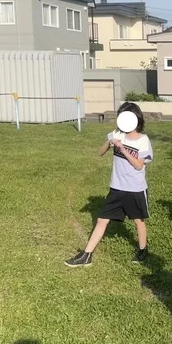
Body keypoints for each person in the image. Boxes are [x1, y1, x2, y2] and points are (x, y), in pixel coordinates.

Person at [65, 102, 152, 267]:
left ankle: (142, 250)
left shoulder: (143, 140)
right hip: (116, 188)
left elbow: (139, 165)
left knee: (138, 220)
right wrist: (109, 143)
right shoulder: (117, 133)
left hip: (135, 189)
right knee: (102, 219)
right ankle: (87, 255)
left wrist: (124, 149)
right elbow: (100, 152)